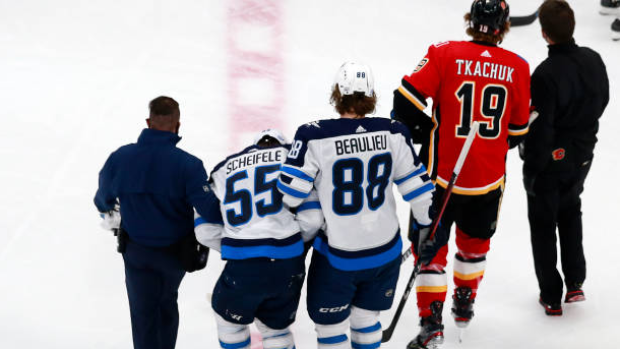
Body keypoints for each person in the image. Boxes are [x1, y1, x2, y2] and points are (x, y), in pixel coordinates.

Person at [391, 0, 530, 347]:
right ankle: (464, 304)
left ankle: (431, 324)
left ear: (470, 21)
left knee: (430, 251)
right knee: (474, 245)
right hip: (487, 182)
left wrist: (430, 131)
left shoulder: (443, 53)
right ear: (504, 27)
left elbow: (403, 102)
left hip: (439, 180)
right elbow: (516, 131)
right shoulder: (518, 67)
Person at [278, 62, 435, 349]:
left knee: (330, 328)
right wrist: (427, 229)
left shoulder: (313, 136)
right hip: (384, 252)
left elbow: (290, 195)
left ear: (337, 93)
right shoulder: (394, 132)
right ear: (372, 95)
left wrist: (315, 188)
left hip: (338, 257)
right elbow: (420, 190)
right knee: (366, 320)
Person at [94, 96, 219, 349]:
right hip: (175, 254)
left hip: (136, 251)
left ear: (148, 122)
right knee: (165, 305)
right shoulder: (189, 165)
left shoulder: (121, 158)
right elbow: (212, 211)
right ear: (178, 125)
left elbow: (102, 200)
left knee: (142, 313)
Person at [194, 129, 323, 349]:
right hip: (287, 265)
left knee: (229, 324)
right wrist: (290, 245)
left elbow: (204, 231)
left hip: (243, 267)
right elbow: (312, 220)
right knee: (276, 329)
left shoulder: (224, 168)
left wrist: (236, 247)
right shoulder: (296, 159)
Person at [521, 0, 609, 316]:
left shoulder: (544, 75)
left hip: (551, 161)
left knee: (543, 223)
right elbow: (604, 100)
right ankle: (575, 282)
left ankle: (550, 294)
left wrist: (532, 164)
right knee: (571, 210)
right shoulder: (594, 60)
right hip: (584, 154)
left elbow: (541, 127)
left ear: (544, 33)